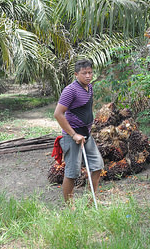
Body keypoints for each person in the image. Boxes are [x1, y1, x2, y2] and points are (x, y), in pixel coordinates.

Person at [54, 59, 104, 204]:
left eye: (90, 72)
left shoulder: (90, 88)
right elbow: (58, 114)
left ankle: (91, 200)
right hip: (73, 136)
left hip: (86, 135)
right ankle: (70, 208)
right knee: (72, 173)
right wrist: (74, 134)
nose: (88, 76)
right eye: (84, 73)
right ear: (76, 74)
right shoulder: (70, 90)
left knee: (97, 166)